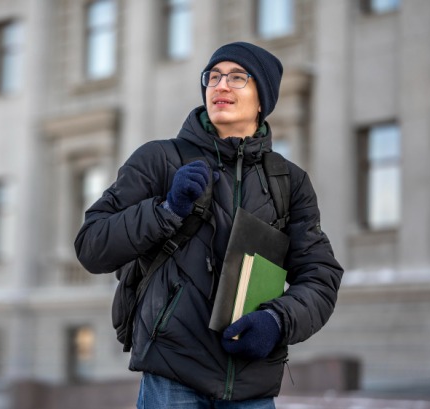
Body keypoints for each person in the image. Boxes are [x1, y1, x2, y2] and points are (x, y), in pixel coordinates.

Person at [74, 42, 344, 408]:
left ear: (262, 98)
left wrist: (276, 321)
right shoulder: (160, 159)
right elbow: (92, 246)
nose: (220, 86)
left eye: (237, 77)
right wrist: (166, 209)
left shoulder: (288, 181)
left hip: (252, 383)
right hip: (172, 377)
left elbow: (320, 275)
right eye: (213, 77)